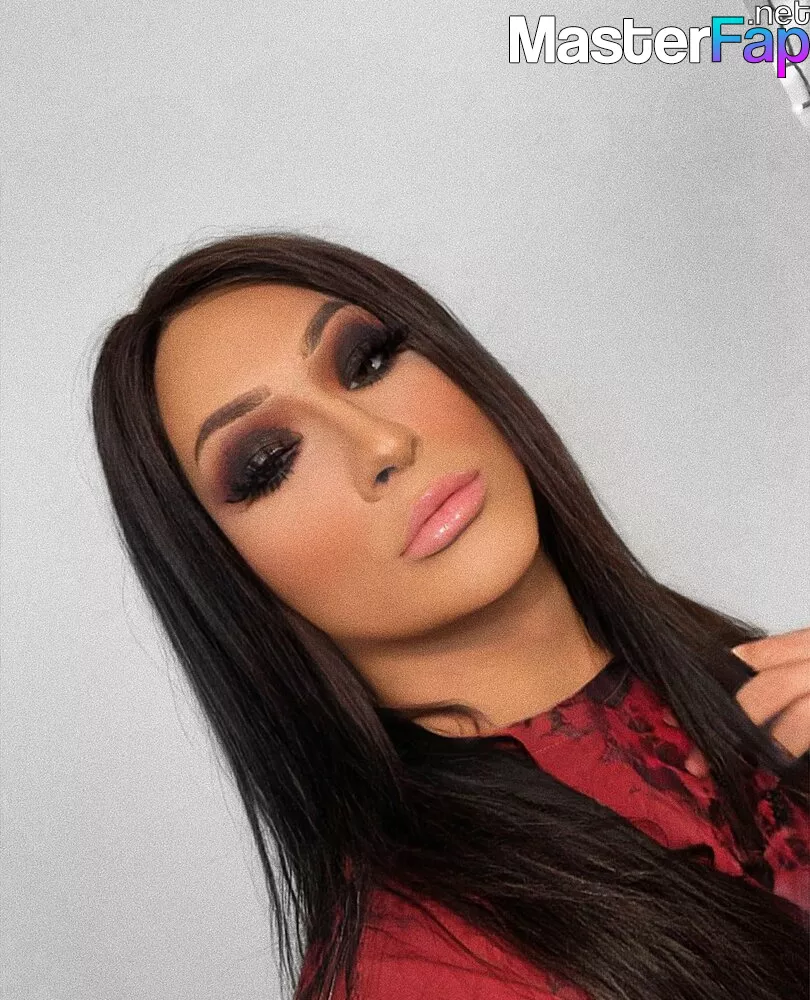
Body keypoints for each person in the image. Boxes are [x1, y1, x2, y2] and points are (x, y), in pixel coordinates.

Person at [89, 232, 809, 1000]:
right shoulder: (412, 972)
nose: (383, 443)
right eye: (269, 462)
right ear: (227, 576)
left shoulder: (751, 684)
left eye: (368, 362)